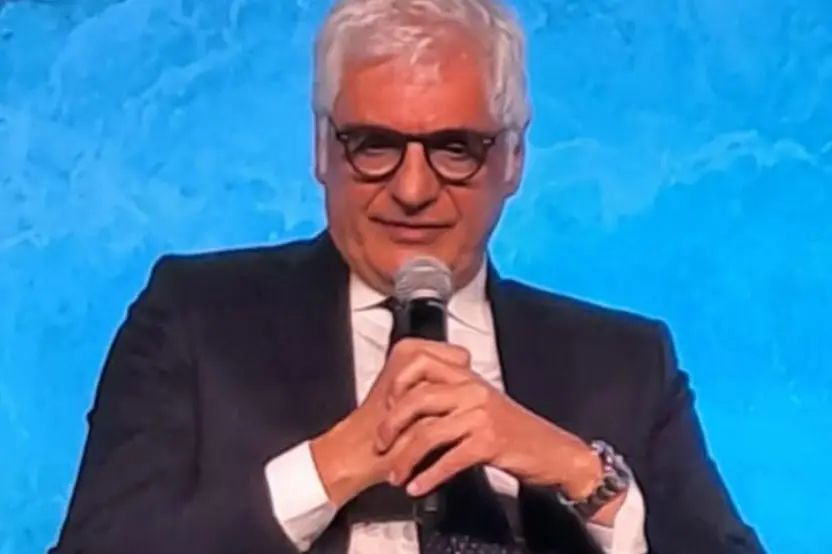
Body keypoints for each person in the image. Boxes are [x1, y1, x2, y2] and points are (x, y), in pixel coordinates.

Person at [50, 1, 766, 553]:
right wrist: (336, 463)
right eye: (374, 146)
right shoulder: (196, 320)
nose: (413, 190)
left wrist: (585, 478)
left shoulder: (625, 363)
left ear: (513, 160)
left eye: (455, 148)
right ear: (322, 150)